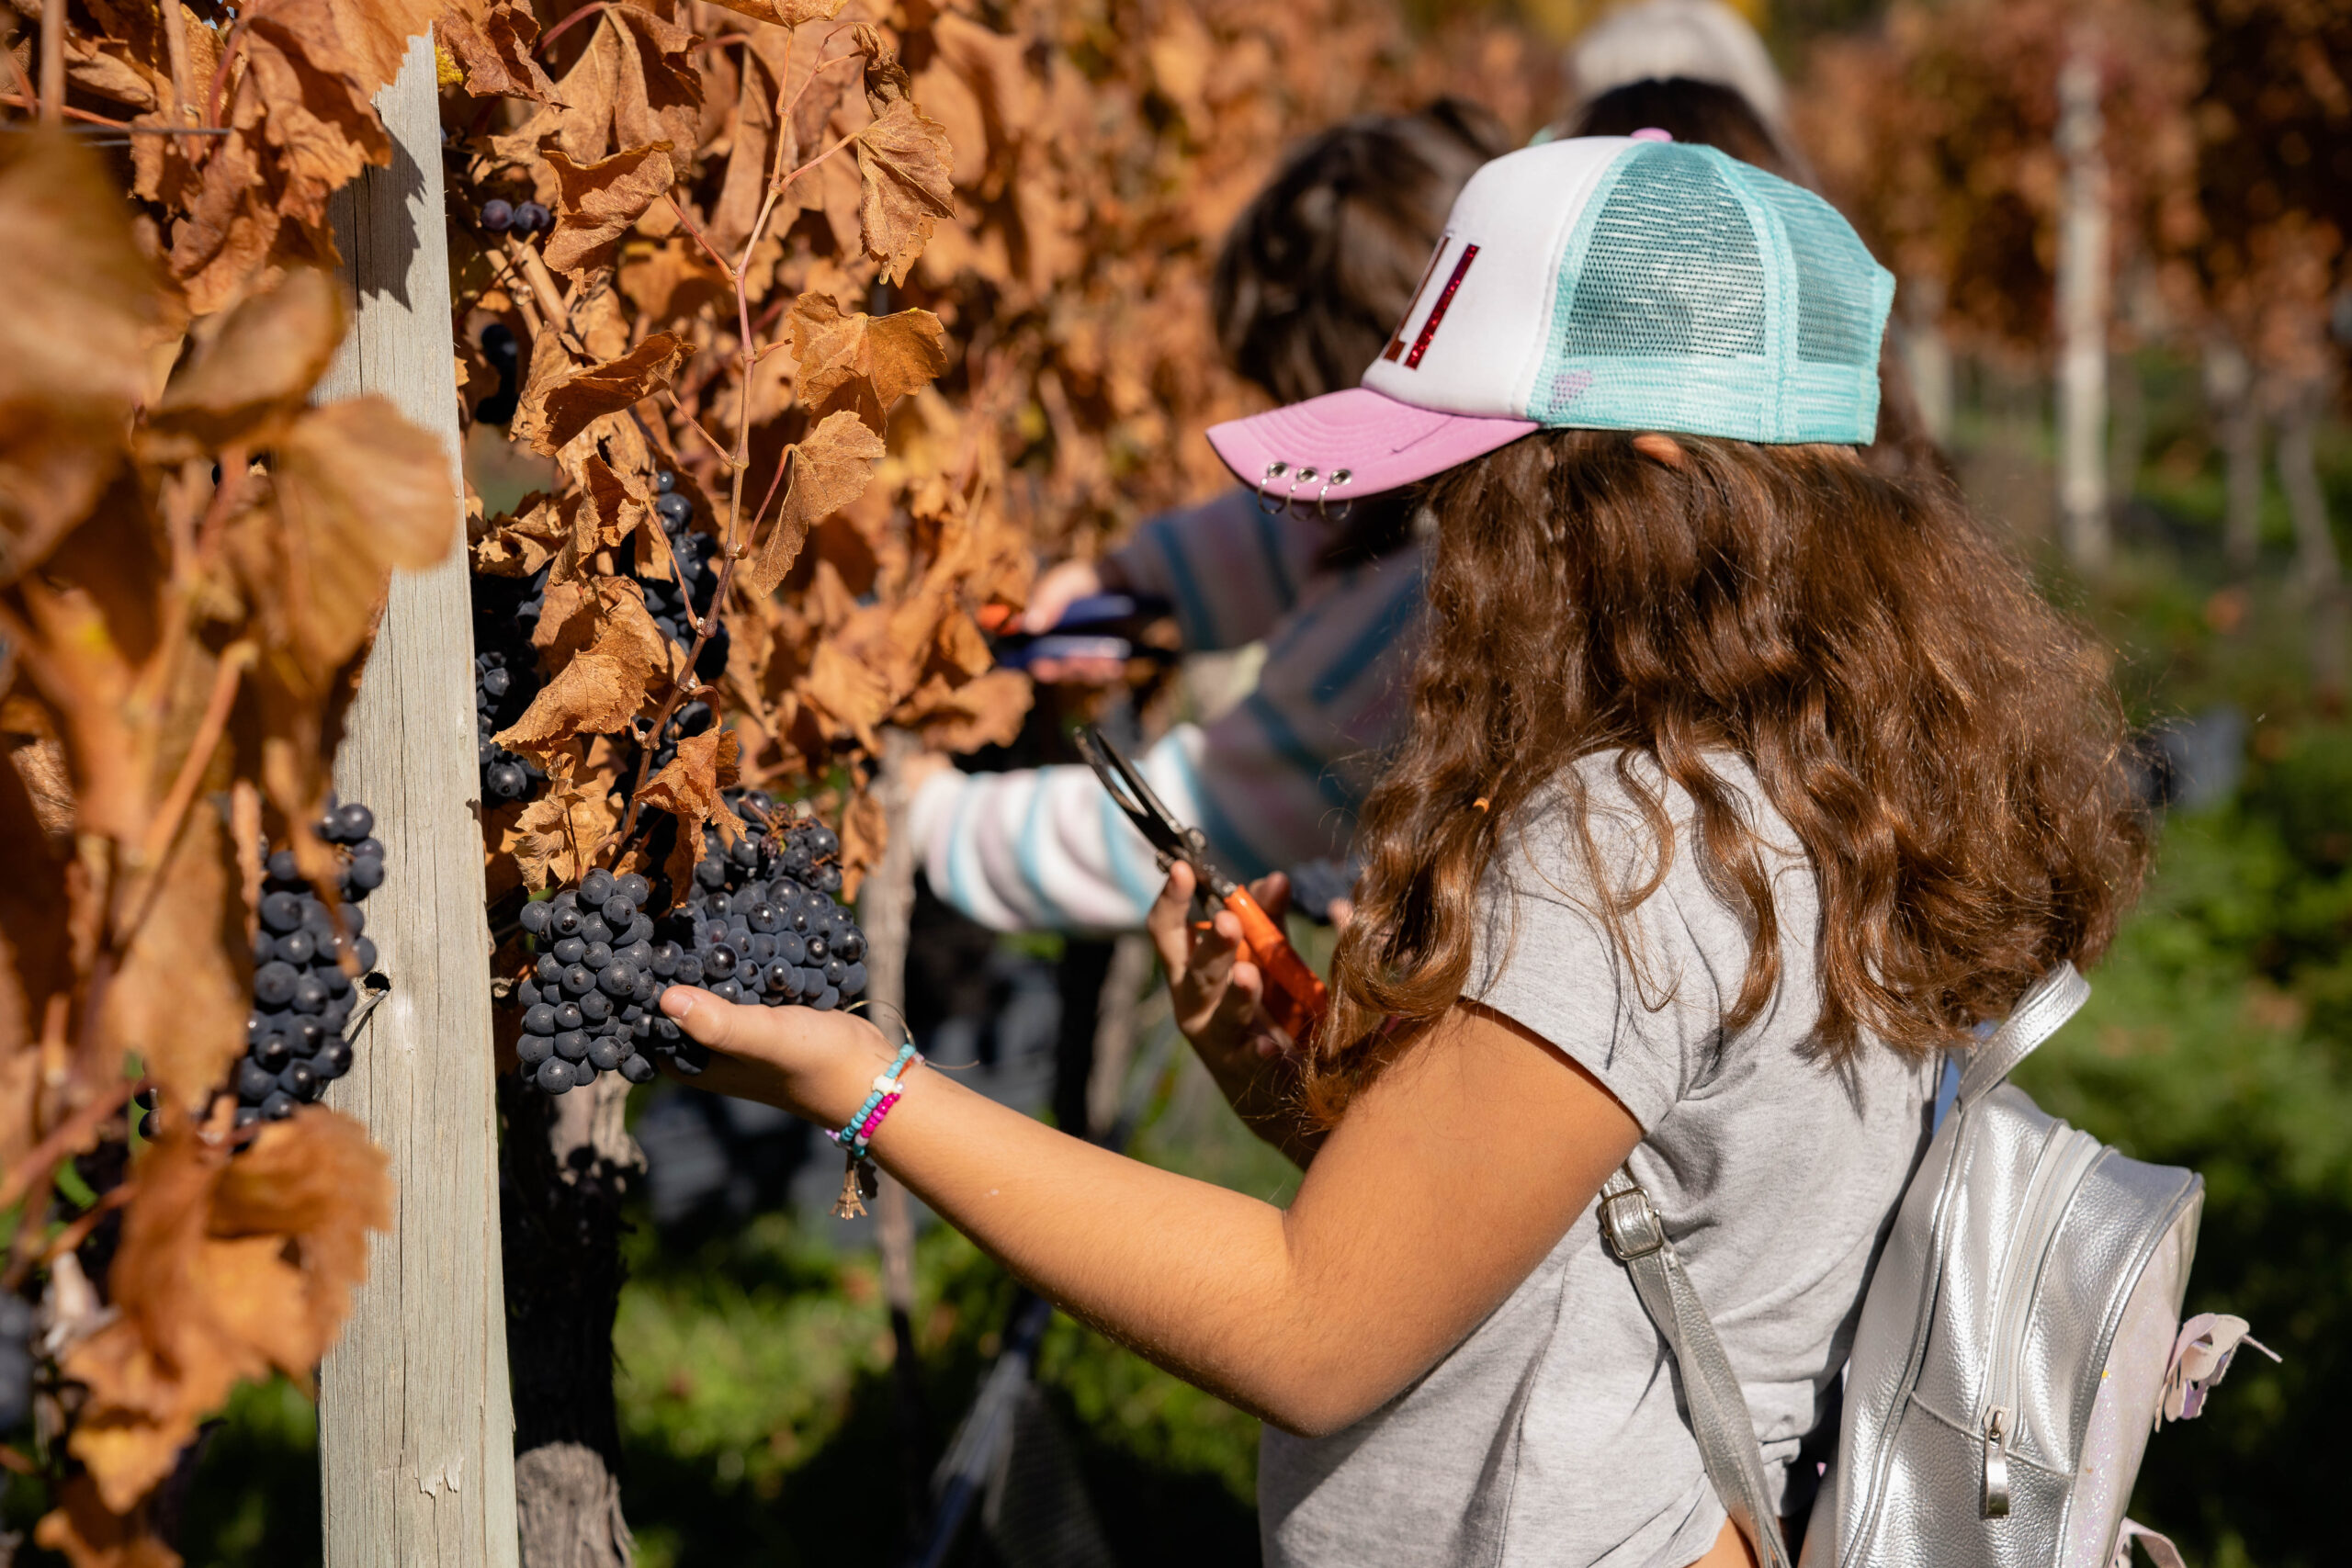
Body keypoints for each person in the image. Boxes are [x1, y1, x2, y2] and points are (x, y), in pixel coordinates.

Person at [658, 135, 2148, 1567]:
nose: (1440, 534)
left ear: (1633, 476)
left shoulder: (1625, 848)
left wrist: (869, 1091)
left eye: (1479, 482)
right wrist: (1324, 1111)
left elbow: (1315, 1329)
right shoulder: (1830, 780)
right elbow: (1590, 1225)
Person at [909, 101, 1509, 932]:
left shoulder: (1418, 632)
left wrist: (928, 816)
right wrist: (1138, 581)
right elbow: (1331, 514)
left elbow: (1189, 832)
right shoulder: (1501, 464)